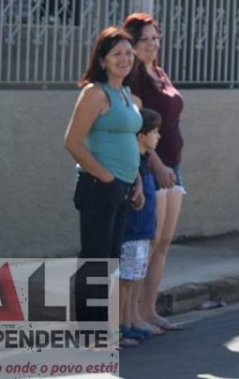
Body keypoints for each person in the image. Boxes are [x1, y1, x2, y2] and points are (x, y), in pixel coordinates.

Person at [64, 26, 143, 322]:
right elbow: (72, 142)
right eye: (116, 54)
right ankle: (90, 332)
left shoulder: (125, 94)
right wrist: (106, 177)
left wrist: (136, 181)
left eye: (128, 53)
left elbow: (130, 141)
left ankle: (101, 328)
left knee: (110, 261)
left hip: (122, 188)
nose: (124, 59)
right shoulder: (95, 93)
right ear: (102, 60)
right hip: (99, 187)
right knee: (95, 261)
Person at [123, 12, 185, 332]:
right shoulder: (134, 78)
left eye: (155, 38)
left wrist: (169, 165)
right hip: (152, 166)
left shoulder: (159, 72)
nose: (151, 44)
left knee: (164, 242)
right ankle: (131, 314)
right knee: (148, 242)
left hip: (174, 164)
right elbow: (137, 128)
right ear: (132, 44)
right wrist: (157, 165)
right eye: (144, 39)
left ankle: (149, 311)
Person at [120, 108, 162, 345]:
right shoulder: (133, 164)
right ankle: (123, 324)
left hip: (143, 231)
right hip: (132, 232)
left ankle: (130, 321)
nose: (158, 136)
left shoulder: (145, 162)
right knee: (126, 279)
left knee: (135, 277)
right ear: (141, 136)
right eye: (154, 132)